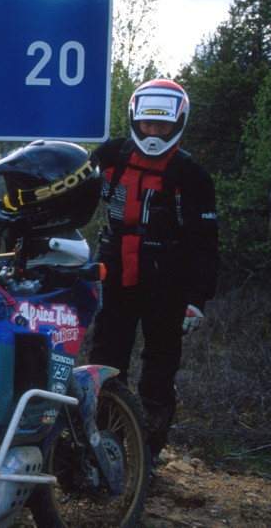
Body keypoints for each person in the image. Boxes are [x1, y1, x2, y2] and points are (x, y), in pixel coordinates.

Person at [88, 79, 219, 460]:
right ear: (135, 120)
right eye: (147, 124)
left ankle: (148, 455)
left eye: (161, 126)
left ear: (178, 123)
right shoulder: (110, 156)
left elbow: (206, 243)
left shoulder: (191, 173)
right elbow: (73, 194)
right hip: (114, 277)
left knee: (158, 375)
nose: (154, 132)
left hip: (169, 286)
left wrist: (197, 300)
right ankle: (102, 450)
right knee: (104, 365)